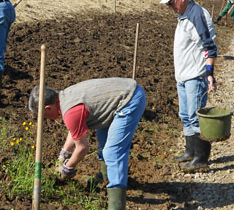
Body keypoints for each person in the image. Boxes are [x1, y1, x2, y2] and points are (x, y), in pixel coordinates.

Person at [28, 78, 146, 210]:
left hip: (129, 99)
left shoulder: (70, 112)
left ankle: (116, 204)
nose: (46, 119)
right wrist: (63, 156)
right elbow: (74, 131)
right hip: (115, 100)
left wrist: (67, 168)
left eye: (44, 116)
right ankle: (106, 177)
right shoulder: (64, 98)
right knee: (103, 141)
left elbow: (82, 148)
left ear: (48, 108)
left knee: (112, 151)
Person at [160, 0, 217, 172]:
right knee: (185, 115)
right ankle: (190, 151)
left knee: (195, 117)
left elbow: (209, 47)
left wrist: (209, 74)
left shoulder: (196, 15)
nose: (170, 7)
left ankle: (201, 158)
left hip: (195, 75)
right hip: (183, 76)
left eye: (171, 3)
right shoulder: (183, 15)